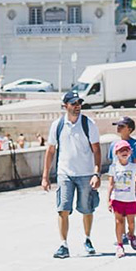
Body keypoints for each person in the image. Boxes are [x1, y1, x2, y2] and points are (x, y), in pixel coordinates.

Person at [42, 91, 104, 258]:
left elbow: (97, 150)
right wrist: (45, 177)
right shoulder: (58, 125)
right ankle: (63, 244)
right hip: (65, 173)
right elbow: (50, 150)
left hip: (86, 173)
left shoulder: (88, 124)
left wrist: (96, 173)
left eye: (79, 103)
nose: (77, 106)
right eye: (73, 103)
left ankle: (87, 238)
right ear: (65, 106)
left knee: (87, 208)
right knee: (62, 208)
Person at [102, 137, 136, 255]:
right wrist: (109, 199)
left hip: (130, 199)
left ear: (130, 152)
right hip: (117, 199)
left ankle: (131, 235)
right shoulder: (113, 168)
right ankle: (120, 245)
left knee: (131, 223)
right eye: (121, 150)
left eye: (126, 150)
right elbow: (110, 184)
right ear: (116, 154)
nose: (124, 152)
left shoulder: (133, 167)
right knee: (118, 221)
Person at [113, 115, 136, 245]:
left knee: (135, 206)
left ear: (129, 129)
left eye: (122, 126)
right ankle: (122, 235)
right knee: (119, 211)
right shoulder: (114, 144)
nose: (119, 128)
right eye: (118, 125)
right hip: (120, 182)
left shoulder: (135, 144)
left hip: (131, 180)